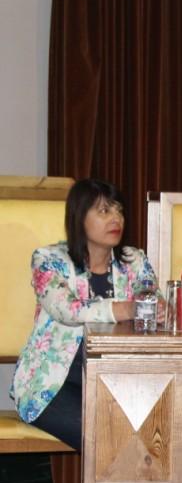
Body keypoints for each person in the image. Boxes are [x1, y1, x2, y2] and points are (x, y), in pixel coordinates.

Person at [10, 179, 157, 448]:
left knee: (157, 433)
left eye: (119, 210)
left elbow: (150, 300)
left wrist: (158, 308)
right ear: (79, 218)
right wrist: (123, 309)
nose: (116, 218)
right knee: (110, 440)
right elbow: (67, 309)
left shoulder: (134, 260)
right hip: (52, 387)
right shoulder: (49, 260)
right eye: (104, 211)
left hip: (113, 383)